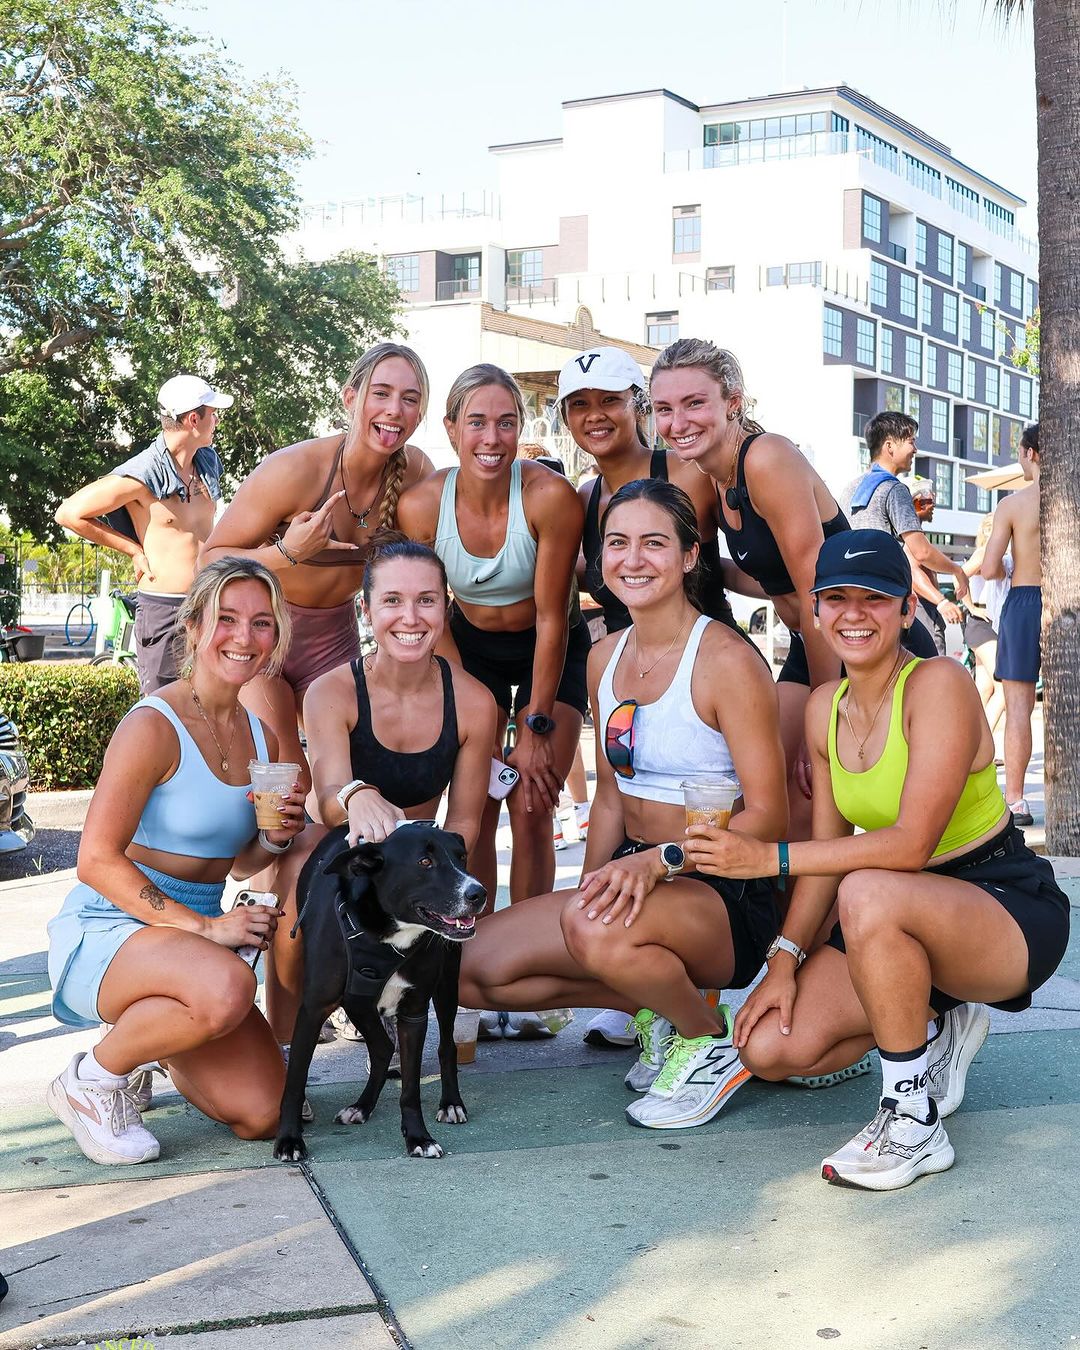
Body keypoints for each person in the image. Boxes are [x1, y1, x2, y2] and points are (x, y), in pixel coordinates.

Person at [688, 530, 1068, 1190]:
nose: (854, 614)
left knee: (867, 890)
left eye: (876, 598)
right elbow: (831, 859)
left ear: (902, 609)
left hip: (1002, 905)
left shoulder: (938, 682)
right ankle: (938, 1019)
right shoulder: (822, 708)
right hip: (893, 915)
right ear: (815, 609)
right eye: (836, 599)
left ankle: (913, 1119)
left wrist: (768, 859)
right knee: (774, 1048)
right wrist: (782, 961)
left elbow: (910, 845)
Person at [459, 480, 788, 1128]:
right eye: (617, 543)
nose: (633, 558)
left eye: (654, 542)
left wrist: (660, 864)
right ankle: (659, 1008)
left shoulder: (725, 659)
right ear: (599, 558)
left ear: (691, 555)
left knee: (590, 932)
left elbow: (770, 818)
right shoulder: (604, 656)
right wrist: (586, 904)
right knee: (471, 968)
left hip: (722, 889)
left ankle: (706, 1041)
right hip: (638, 872)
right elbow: (611, 794)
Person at [46, 559, 306, 1165]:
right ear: (192, 626)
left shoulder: (262, 735)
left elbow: (237, 866)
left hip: (189, 941)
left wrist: (273, 839)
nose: (244, 637)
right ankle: (91, 1080)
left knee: (265, 1112)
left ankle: (145, 1045)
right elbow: (95, 861)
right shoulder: (152, 726)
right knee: (228, 985)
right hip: (112, 925)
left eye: (262, 623)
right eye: (227, 619)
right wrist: (208, 931)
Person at [560, 343, 759, 1047]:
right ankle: (644, 979)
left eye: (610, 400)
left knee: (739, 801)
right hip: (628, 671)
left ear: (634, 407)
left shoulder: (686, 472)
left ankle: (724, 1006)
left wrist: (808, 602)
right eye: (579, 405)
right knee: (476, 967)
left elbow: (737, 559)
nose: (596, 416)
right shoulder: (582, 498)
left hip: (702, 669)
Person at [262, 534, 497, 1046]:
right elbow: (324, 799)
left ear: (445, 607)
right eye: (392, 600)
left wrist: (442, 884)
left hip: (422, 863)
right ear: (366, 609)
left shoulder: (475, 702)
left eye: (426, 600)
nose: (409, 618)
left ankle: (397, 999)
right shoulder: (334, 690)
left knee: (461, 894)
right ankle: (285, 1037)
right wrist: (354, 794)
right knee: (296, 867)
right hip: (342, 845)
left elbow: (464, 823)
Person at [396, 364, 588, 911]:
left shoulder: (550, 498)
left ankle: (528, 945)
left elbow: (553, 618)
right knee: (476, 798)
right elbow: (432, 611)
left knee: (531, 800)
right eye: (477, 422)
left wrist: (535, 726)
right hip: (468, 649)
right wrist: (470, 701)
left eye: (506, 423)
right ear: (452, 427)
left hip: (547, 647)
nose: (492, 438)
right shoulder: (422, 506)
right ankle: (474, 940)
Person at [648, 339, 848, 824]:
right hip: (812, 642)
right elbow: (763, 577)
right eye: (664, 409)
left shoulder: (767, 458)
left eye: (695, 403)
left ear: (733, 402)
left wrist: (823, 720)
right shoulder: (713, 478)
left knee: (811, 794)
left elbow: (815, 590)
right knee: (766, 794)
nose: (678, 423)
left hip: (860, 641)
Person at [200, 343, 434, 753]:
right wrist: (287, 553)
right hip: (265, 634)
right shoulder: (295, 469)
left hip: (335, 640)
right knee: (288, 776)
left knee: (353, 772)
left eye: (409, 399)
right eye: (380, 394)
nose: (395, 409)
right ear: (350, 398)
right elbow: (207, 562)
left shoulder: (416, 472)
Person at [54, 375, 233, 695]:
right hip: (166, 610)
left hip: (210, 603)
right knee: (163, 713)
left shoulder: (208, 464)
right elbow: (69, 513)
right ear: (194, 419)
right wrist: (134, 551)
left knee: (212, 710)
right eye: (212, 413)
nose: (217, 420)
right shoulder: (142, 474)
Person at [839, 411, 967, 659]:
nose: (915, 449)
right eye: (911, 441)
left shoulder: (850, 488)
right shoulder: (894, 489)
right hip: (885, 600)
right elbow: (920, 552)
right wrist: (957, 570)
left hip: (853, 601)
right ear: (889, 446)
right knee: (931, 663)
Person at [982, 424, 1041, 826]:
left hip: (1025, 600)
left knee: (1018, 709)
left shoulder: (1014, 505)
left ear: (1031, 453)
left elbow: (988, 568)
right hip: (1067, 601)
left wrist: (1009, 567)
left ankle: (1016, 800)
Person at [900, 477, 964, 657]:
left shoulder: (913, 535)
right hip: (922, 610)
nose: (933, 503)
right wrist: (942, 601)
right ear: (914, 502)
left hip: (923, 610)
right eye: (927, 498)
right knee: (933, 668)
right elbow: (913, 571)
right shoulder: (911, 538)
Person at [961, 513, 1005, 745]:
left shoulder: (995, 555)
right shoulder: (983, 553)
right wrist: (970, 607)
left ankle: (965, 742)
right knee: (1004, 689)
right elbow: (959, 576)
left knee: (984, 689)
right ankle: (979, 745)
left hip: (989, 623)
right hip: (982, 623)